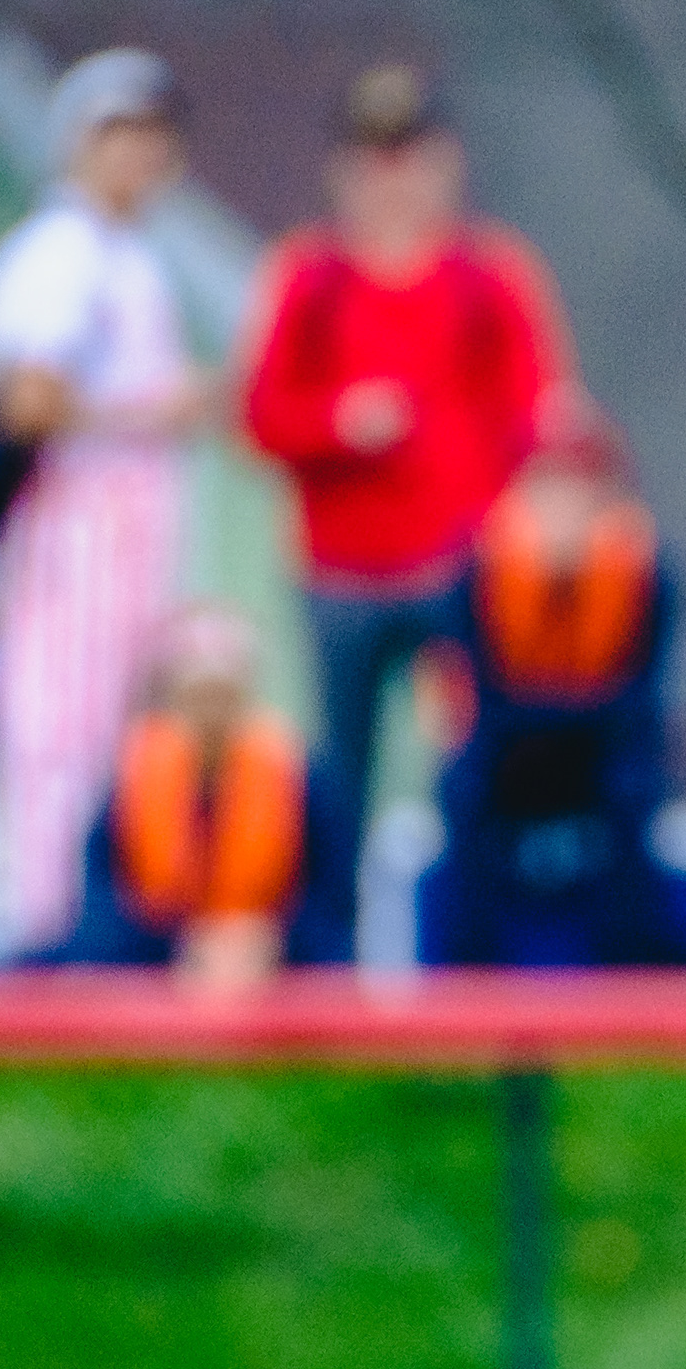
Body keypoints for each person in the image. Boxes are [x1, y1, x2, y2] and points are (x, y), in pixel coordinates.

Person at [238, 61, 576, 938]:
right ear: (345, 171)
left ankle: (469, 950)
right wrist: (338, 423)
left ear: (445, 164)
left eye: (410, 155)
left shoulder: (492, 276)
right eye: (374, 157)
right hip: (341, 574)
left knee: (476, 767)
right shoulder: (308, 277)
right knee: (342, 777)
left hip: (460, 570)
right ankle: (331, 960)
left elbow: (543, 413)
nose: (394, 179)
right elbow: (261, 415)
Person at [0, 48, 207, 953]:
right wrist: (154, 410)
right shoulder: (59, 254)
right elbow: (28, 399)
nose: (138, 155)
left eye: (153, 135)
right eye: (119, 134)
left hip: (133, 546)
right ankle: (53, 941)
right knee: (62, 743)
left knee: (131, 747)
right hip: (72, 539)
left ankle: (112, 936)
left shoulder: (134, 259)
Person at [418, 416, 686, 967]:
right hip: (512, 750)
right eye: (547, 486)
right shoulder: (479, 570)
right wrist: (558, 716)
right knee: (461, 789)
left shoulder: (647, 573)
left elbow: (646, 700)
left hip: (603, 748)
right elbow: (478, 697)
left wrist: (566, 716)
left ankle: (631, 965)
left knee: (634, 790)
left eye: (578, 487)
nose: (562, 506)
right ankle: (469, 967)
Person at [42, 602, 340, 986]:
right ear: (171, 698)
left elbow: (333, 907)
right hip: (159, 963)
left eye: (224, 695)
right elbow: (99, 907)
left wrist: (267, 942)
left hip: (271, 970)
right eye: (199, 696)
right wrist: (183, 946)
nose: (211, 715)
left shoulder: (299, 776)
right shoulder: (131, 778)